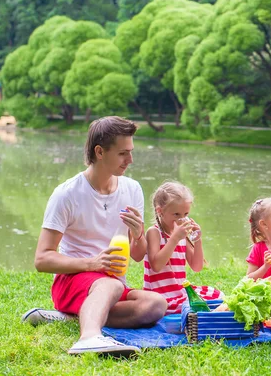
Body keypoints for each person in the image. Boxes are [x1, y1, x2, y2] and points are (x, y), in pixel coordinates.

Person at [22, 116, 167, 356]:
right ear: (100, 152)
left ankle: (70, 319)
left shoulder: (132, 190)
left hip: (112, 284)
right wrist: (92, 263)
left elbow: (138, 255)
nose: (130, 160)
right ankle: (89, 338)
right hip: (72, 281)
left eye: (130, 152)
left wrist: (138, 234)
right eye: (123, 153)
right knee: (109, 283)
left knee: (156, 304)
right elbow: (42, 259)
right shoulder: (67, 194)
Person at [143, 181, 221, 314]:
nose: (182, 219)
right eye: (176, 214)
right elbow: (156, 265)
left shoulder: (181, 234)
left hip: (180, 292)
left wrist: (197, 240)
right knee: (190, 308)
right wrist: (175, 238)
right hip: (160, 295)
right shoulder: (154, 233)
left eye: (185, 214)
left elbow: (197, 267)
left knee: (218, 296)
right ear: (160, 211)